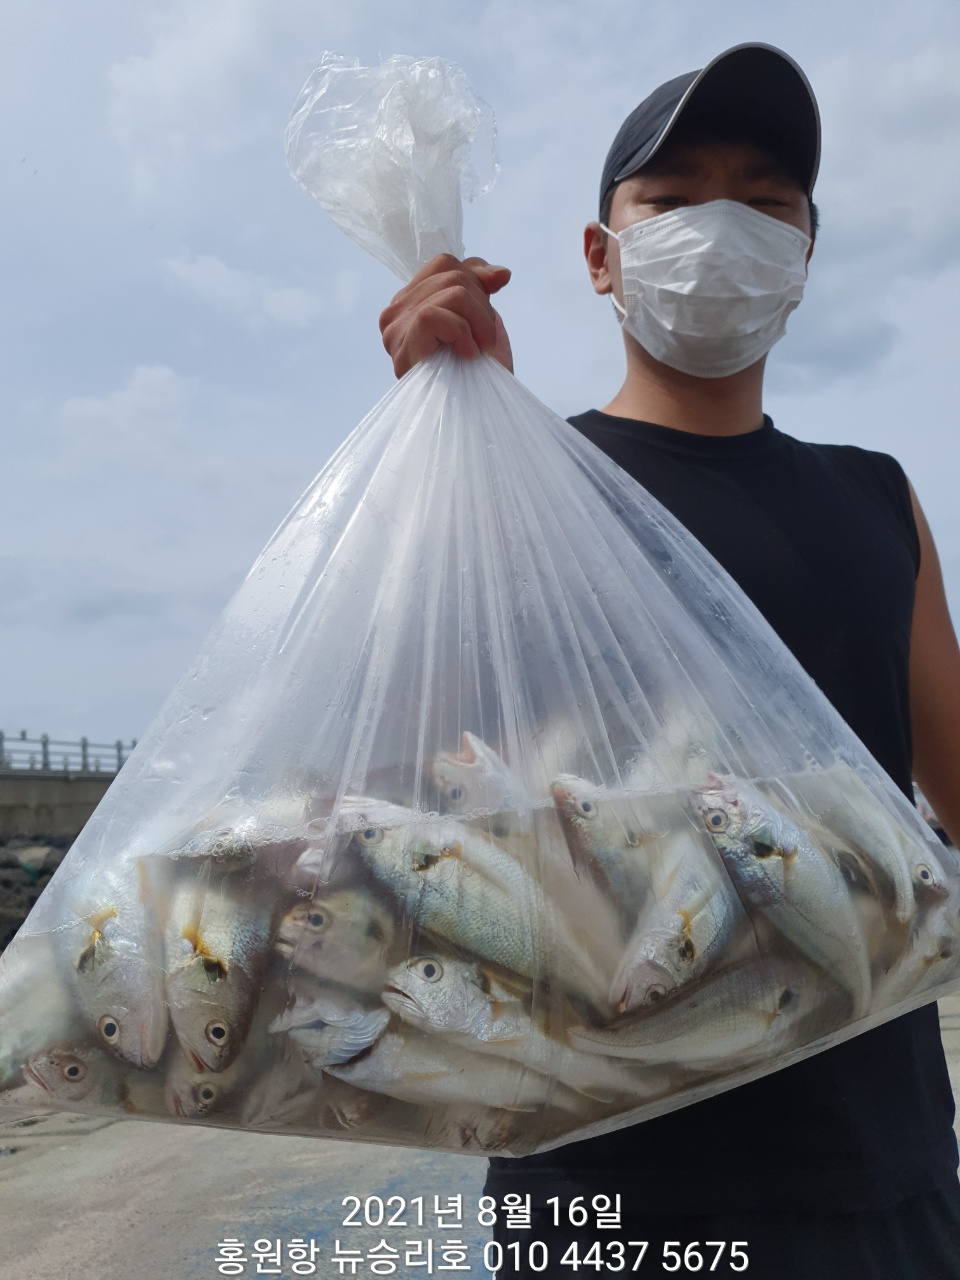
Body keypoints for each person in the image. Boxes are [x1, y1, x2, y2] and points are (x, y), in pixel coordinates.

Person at [378, 43, 960, 1279]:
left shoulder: (882, 499)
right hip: (600, 1183)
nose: (722, 227)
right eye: (675, 197)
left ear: (806, 251)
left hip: (879, 1167)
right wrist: (450, 440)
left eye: (764, 202)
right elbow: (410, 772)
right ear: (601, 256)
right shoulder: (521, 487)